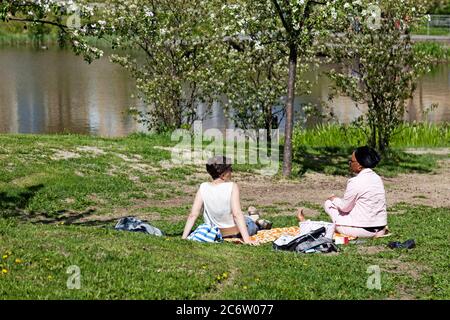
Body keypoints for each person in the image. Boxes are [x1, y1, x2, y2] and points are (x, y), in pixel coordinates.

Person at [298, 146, 388, 238]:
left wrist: (334, 199)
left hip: (361, 230)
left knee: (329, 204)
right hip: (380, 229)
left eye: (352, 161)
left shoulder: (356, 181)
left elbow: (344, 207)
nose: (349, 163)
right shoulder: (377, 178)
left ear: (360, 165)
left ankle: (307, 225)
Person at [182, 155, 257, 244]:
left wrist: (184, 238)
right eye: (230, 169)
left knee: (245, 219)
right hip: (234, 232)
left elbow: (193, 215)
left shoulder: (203, 187)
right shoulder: (232, 186)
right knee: (249, 222)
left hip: (215, 233)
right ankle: (255, 218)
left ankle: (254, 217)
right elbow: (236, 214)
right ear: (223, 174)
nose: (231, 171)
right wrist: (247, 240)